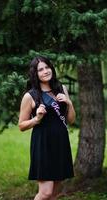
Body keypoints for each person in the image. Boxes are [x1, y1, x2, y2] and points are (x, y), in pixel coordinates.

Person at [18, 56, 75, 200]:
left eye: (47, 67)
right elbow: (21, 125)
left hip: (60, 142)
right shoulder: (30, 96)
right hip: (43, 144)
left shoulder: (62, 89)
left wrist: (69, 103)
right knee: (46, 193)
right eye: (40, 69)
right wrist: (36, 119)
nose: (45, 71)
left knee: (55, 193)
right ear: (35, 74)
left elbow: (71, 120)